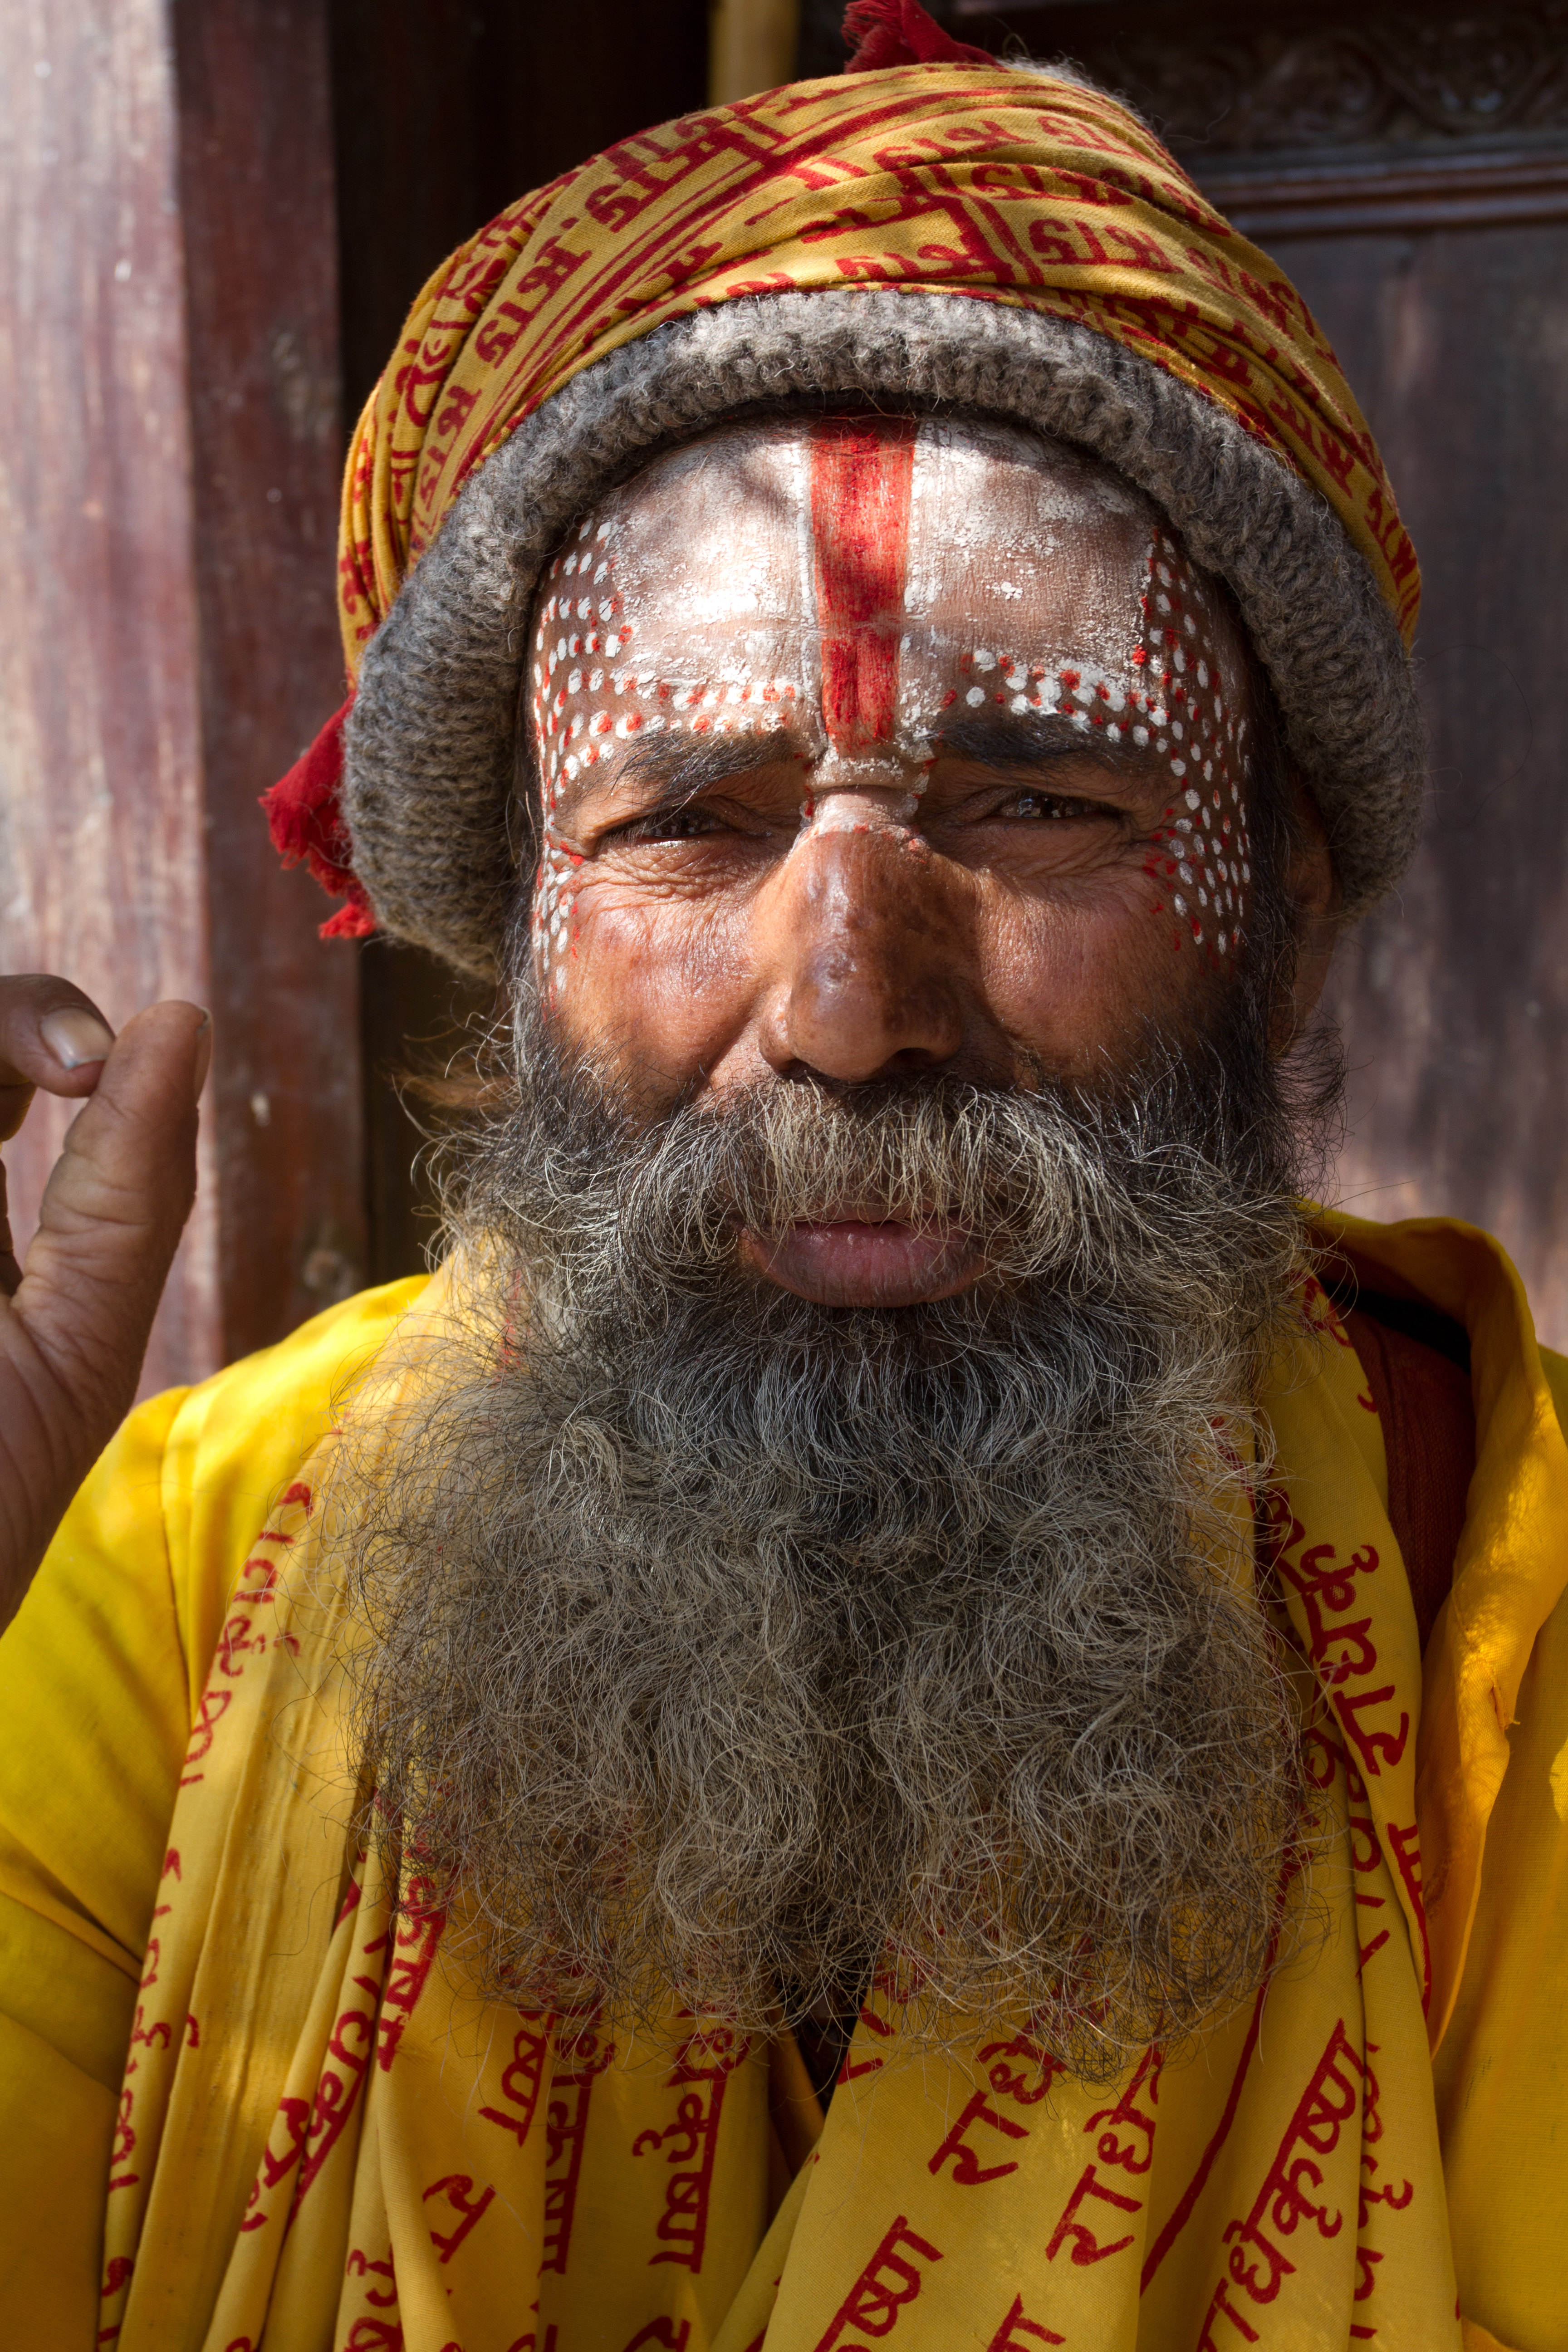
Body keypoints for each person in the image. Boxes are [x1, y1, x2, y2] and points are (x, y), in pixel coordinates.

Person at [0, 7, 1563, 2347]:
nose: (846, 1005)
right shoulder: (179, 1565)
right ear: (522, 941)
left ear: (1285, 914)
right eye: (682, 827)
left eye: (1043, 800)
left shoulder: (1501, 1616)